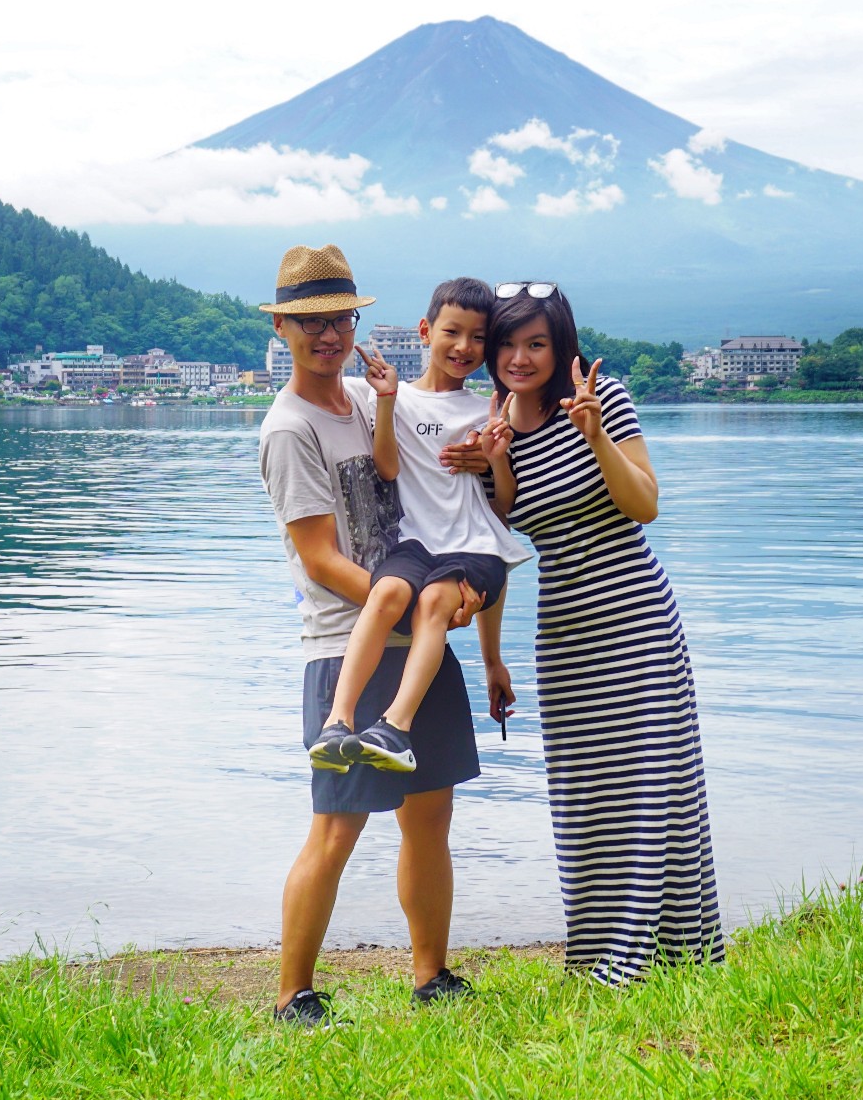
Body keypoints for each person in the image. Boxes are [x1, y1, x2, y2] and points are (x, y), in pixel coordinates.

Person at [254, 244, 490, 1026]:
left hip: (419, 636)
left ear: (356, 322)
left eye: (340, 319)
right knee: (336, 828)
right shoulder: (289, 428)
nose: (328, 335)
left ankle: (431, 975)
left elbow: (430, 456)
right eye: (311, 323)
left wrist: (478, 457)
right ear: (283, 327)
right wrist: (413, 601)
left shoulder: (363, 397)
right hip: (345, 645)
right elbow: (319, 557)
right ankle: (293, 993)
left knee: (431, 815)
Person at [464, 280, 724, 985]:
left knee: (650, 785)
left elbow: (645, 506)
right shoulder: (493, 426)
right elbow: (498, 546)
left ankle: (651, 958)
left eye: (537, 344)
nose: (521, 357)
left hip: (635, 616)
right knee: (587, 795)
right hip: (566, 630)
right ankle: (597, 953)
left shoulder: (601, 399)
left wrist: (595, 436)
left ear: (562, 346)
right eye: (509, 344)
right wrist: (491, 659)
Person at [309, 278, 528, 775]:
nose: (465, 347)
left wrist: (495, 460)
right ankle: (337, 722)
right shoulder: (392, 397)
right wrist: (386, 401)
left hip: (475, 547)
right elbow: (387, 468)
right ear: (426, 331)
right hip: (416, 543)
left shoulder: (490, 410)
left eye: (478, 337)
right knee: (384, 594)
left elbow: (504, 507)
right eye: (453, 332)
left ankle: (396, 727)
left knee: (431, 602)